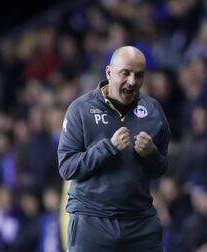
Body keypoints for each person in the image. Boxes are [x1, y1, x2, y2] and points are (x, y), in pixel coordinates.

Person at [58, 46, 171, 251]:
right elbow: (67, 167)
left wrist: (150, 154)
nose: (131, 81)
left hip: (140, 223)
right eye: (125, 73)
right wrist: (108, 148)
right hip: (92, 221)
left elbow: (160, 168)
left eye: (138, 75)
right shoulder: (80, 110)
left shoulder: (154, 111)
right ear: (109, 72)